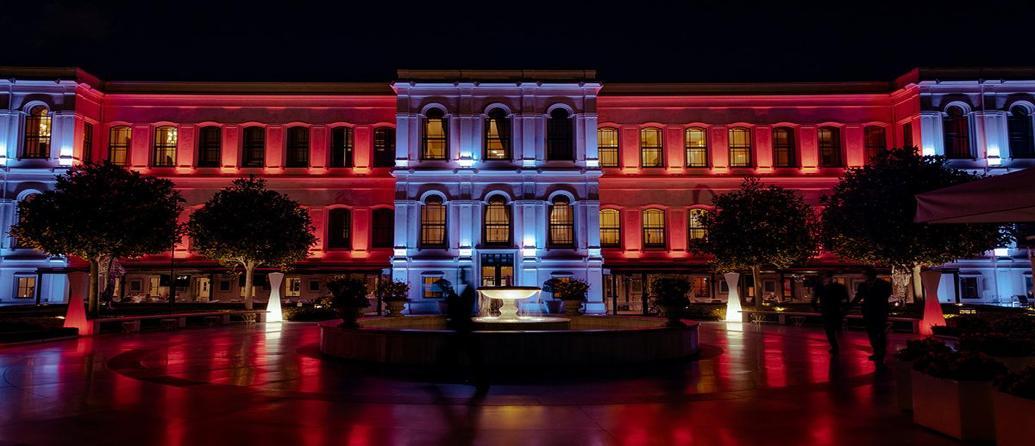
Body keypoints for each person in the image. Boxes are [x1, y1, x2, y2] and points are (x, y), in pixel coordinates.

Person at [852, 268, 893, 361]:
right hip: (868, 312)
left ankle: (881, 353)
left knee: (880, 333)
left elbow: (885, 296)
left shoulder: (883, 284)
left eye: (864, 274)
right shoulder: (863, 285)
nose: (863, 276)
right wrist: (849, 307)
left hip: (880, 312)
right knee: (871, 333)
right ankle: (877, 352)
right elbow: (858, 297)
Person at [812, 272, 849, 354]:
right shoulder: (840, 287)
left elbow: (814, 298)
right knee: (836, 329)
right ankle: (838, 346)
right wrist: (845, 309)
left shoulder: (820, 287)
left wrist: (815, 307)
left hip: (827, 311)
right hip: (836, 311)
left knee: (829, 330)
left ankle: (835, 346)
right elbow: (845, 299)